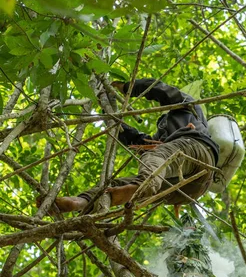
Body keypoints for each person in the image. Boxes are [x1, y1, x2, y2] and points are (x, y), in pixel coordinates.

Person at [52, 78, 219, 214]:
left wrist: (128, 87)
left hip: (198, 150)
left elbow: (161, 90)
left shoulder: (190, 108)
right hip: (185, 191)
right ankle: (82, 201)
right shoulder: (163, 141)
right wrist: (108, 114)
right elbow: (138, 141)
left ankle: (142, 186)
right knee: (115, 185)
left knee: (153, 159)